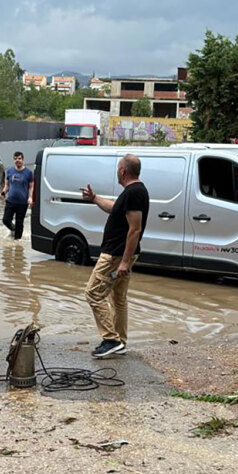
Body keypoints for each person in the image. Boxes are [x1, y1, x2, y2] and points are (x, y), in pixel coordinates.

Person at [81, 153, 149, 358]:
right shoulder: (132, 192)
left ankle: (110, 339)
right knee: (118, 298)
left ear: (123, 171)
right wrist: (94, 198)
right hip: (120, 256)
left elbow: (135, 230)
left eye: (118, 168)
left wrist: (124, 262)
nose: (117, 171)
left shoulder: (134, 192)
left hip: (115, 256)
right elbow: (114, 209)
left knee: (93, 293)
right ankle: (119, 341)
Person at [1, 152, 34, 240]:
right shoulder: (10, 171)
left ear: (23, 160)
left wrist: (30, 198)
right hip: (10, 200)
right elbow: (7, 185)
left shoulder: (28, 173)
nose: (17, 160)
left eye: (19, 158)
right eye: (15, 159)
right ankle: (14, 229)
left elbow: (31, 187)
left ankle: (17, 243)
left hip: (22, 203)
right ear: (14, 160)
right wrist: (3, 193)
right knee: (6, 220)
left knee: (20, 222)